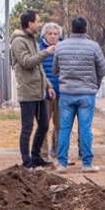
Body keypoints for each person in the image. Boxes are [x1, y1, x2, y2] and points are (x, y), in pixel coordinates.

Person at [53, 16, 105, 173]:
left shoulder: (61, 47)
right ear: (85, 29)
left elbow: (55, 70)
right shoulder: (94, 46)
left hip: (66, 93)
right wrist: (94, 84)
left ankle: (62, 163)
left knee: (64, 129)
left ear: (72, 28)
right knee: (85, 129)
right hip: (86, 93)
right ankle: (87, 164)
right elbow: (102, 69)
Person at [9, 10, 55, 168]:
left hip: (39, 91)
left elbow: (38, 67)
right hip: (27, 92)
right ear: (29, 23)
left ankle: (36, 157)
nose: (39, 24)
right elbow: (27, 62)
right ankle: (26, 161)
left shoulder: (31, 39)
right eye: (37, 21)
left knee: (44, 125)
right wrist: (46, 52)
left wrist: (48, 85)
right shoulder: (18, 41)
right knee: (27, 128)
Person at [40, 21, 62, 160]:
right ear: (45, 35)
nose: (53, 36)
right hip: (44, 93)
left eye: (56, 34)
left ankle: (58, 151)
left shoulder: (63, 48)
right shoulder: (39, 49)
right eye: (50, 34)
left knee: (60, 125)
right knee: (44, 125)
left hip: (61, 93)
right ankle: (43, 154)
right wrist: (47, 87)